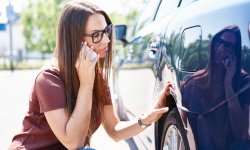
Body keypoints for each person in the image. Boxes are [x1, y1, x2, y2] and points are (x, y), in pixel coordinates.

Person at [9, 1, 172, 149]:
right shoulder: (48, 79)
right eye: (96, 35)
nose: (107, 40)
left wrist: (146, 119)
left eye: (106, 31)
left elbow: (114, 130)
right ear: (75, 40)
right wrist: (86, 84)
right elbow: (74, 143)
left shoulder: (98, 78)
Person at [181, 25, 250, 150]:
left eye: (228, 46)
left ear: (235, 53)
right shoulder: (195, 84)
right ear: (213, 43)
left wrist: (228, 85)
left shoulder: (243, 81)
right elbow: (183, 129)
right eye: (220, 42)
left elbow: (241, 135)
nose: (221, 48)